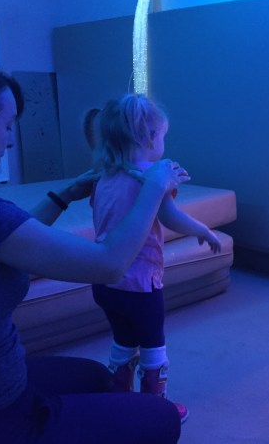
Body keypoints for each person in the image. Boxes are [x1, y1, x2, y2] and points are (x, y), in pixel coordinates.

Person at [0, 54, 188, 444]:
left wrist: (64, 195)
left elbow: (4, 238)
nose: (10, 140)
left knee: (99, 379)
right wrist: (155, 186)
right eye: (7, 125)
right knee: (163, 419)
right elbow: (109, 264)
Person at [88, 94, 221, 423]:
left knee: (123, 338)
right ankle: (154, 409)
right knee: (153, 346)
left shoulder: (105, 177)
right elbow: (171, 217)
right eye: (162, 135)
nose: (163, 142)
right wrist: (203, 229)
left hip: (104, 282)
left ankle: (119, 393)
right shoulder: (151, 177)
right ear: (148, 138)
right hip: (141, 285)